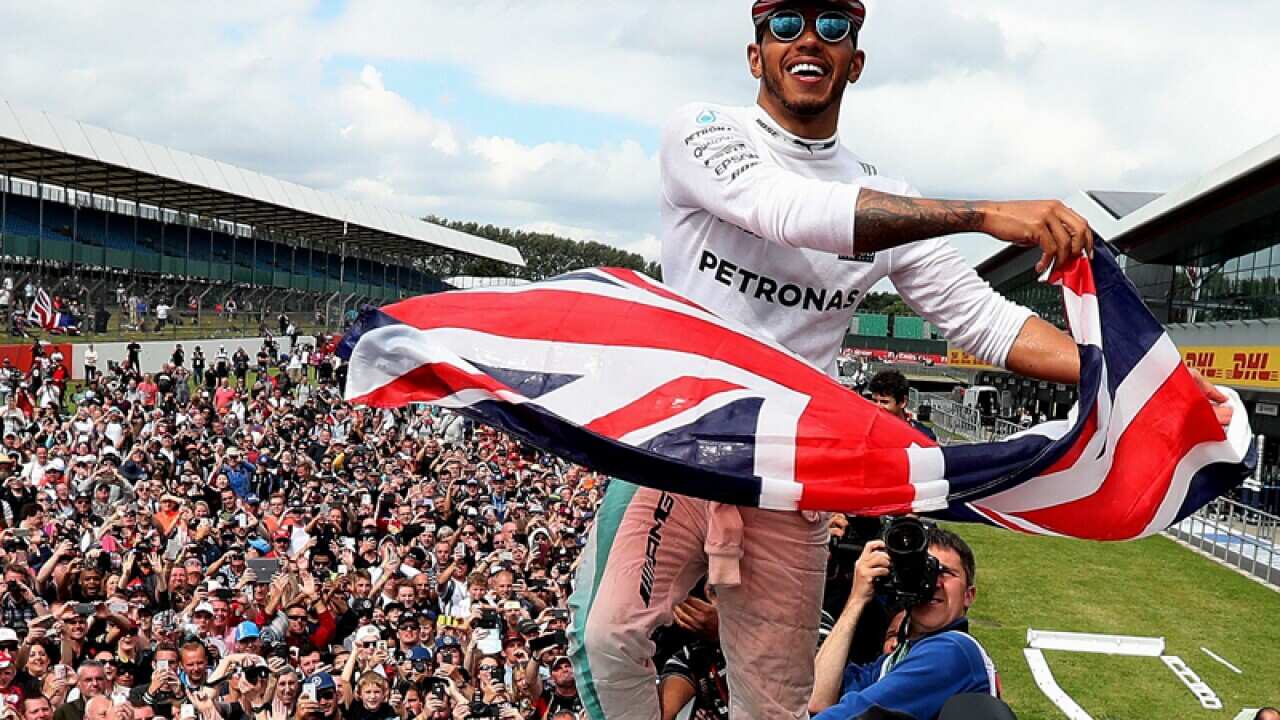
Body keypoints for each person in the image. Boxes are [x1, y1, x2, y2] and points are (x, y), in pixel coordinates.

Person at [564, 2, 1246, 719]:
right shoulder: (703, 132)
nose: (808, 39)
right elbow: (783, 209)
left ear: (853, 63)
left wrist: (1145, 376)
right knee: (608, 635)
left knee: (776, 702)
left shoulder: (890, 200)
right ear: (754, 55)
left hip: (786, 470)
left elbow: (985, 321)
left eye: (833, 27)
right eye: (786, 24)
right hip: (683, 439)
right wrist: (983, 213)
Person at [810, 527, 994, 719]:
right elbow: (817, 700)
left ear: (968, 596)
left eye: (945, 572)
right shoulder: (894, 660)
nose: (933, 583)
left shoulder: (954, 651)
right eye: (923, 571)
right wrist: (857, 599)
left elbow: (855, 713)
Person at [867, 370, 935, 441]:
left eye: (884, 402)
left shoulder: (924, 437)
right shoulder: (866, 432)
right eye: (874, 401)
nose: (878, 406)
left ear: (903, 402)